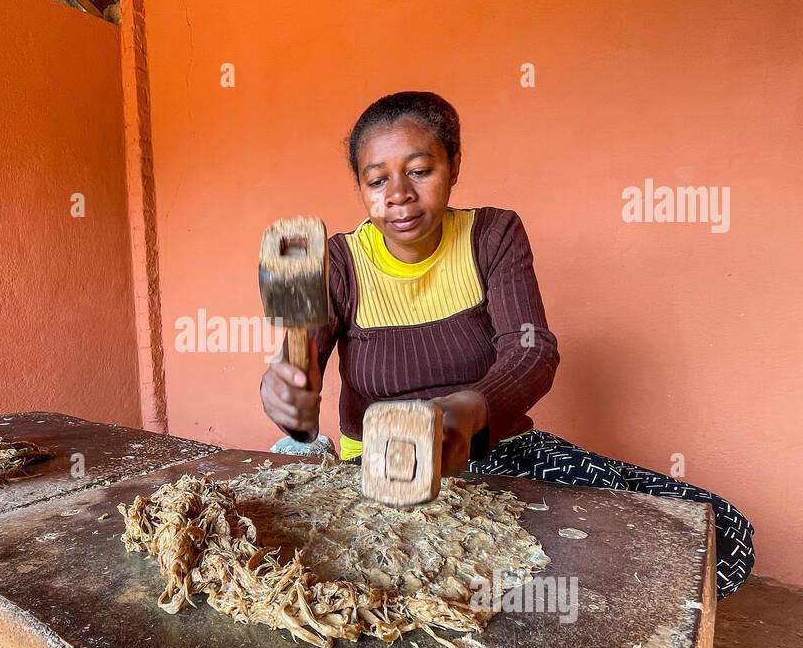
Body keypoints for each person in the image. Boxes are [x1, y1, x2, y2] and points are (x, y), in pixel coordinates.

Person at [259, 91, 753, 597]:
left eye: (420, 171)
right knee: (408, 592)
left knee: (722, 536)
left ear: (454, 166)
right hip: (377, 476)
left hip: (504, 454)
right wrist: (286, 393)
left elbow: (532, 350)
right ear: (362, 188)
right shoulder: (338, 261)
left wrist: (469, 411)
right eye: (377, 179)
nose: (399, 194)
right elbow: (299, 364)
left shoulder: (493, 234)